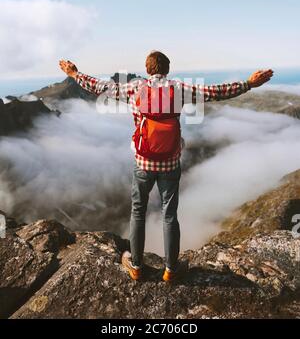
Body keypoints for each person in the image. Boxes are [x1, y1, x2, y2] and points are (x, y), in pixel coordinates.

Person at [59, 52, 273, 282]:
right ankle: (171, 269)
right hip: (170, 163)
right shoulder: (179, 89)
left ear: (147, 68)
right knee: (169, 215)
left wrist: (74, 73)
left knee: (138, 211)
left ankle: (137, 265)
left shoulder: (135, 88)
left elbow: (99, 87)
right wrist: (249, 84)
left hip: (143, 162)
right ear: (167, 69)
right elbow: (216, 92)